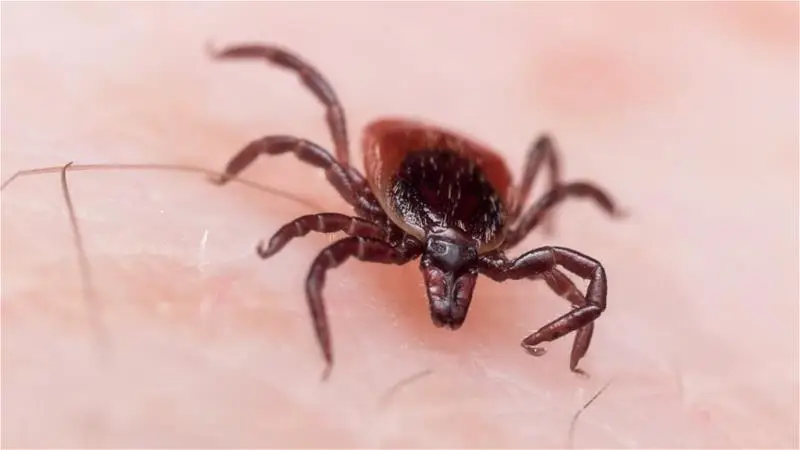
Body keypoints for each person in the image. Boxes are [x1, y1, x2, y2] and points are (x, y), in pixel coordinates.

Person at [2, 2, 797, 447]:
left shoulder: (487, 243)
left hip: (456, 190)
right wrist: (279, 235)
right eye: (445, 271)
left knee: (584, 268)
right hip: (427, 185)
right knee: (317, 135)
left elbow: (583, 267)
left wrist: (557, 333)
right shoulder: (405, 225)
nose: (448, 281)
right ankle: (317, 351)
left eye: (452, 273)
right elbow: (314, 188)